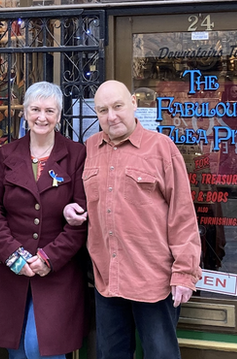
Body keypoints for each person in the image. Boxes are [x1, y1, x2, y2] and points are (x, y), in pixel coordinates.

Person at [64, 80, 201, 358]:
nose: (111, 116)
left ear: (134, 104)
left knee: (160, 354)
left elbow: (182, 215)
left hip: (154, 280)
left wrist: (185, 274)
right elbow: (82, 200)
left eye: (117, 107)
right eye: (102, 110)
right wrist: (71, 210)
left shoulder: (161, 148)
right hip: (107, 279)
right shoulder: (89, 149)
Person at [0, 82, 88, 359]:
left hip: (57, 270)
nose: (42, 117)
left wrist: (49, 258)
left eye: (50, 110)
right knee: (18, 349)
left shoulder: (77, 155)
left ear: (59, 115)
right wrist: (13, 255)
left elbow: (82, 215)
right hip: (11, 269)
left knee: (42, 347)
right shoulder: (7, 155)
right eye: (35, 109)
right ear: (24, 113)